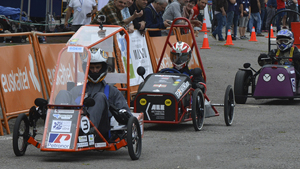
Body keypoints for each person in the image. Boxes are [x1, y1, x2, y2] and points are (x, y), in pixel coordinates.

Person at [55, 48, 132, 139]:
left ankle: (86, 132)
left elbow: (127, 114)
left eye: (97, 67)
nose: (94, 71)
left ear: (103, 68)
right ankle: (58, 129)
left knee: (100, 96)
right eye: (91, 68)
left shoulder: (113, 91)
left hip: (100, 131)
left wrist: (122, 113)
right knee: (63, 93)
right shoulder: (77, 90)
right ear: (86, 68)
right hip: (75, 126)